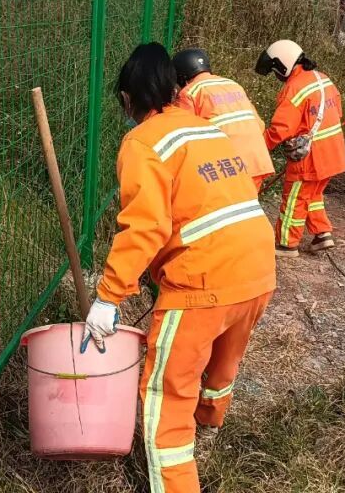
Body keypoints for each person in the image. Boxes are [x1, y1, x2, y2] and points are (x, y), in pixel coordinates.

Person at [84, 43, 276, 493]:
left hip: (202, 282)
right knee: (225, 357)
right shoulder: (204, 128)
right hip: (257, 267)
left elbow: (145, 227)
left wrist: (108, 297)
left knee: (165, 394)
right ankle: (210, 422)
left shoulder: (143, 142)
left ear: (128, 99)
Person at [255, 39, 345, 258]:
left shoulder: (294, 88)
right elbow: (338, 112)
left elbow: (281, 129)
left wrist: (259, 147)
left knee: (294, 200)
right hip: (333, 153)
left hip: (310, 159)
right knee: (312, 195)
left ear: (283, 65)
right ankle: (322, 234)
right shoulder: (323, 79)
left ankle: (286, 244)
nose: (276, 76)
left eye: (275, 71)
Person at [172, 48, 274, 190]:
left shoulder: (190, 93)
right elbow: (260, 125)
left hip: (227, 168)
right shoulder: (233, 85)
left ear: (180, 76)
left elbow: (181, 135)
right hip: (257, 161)